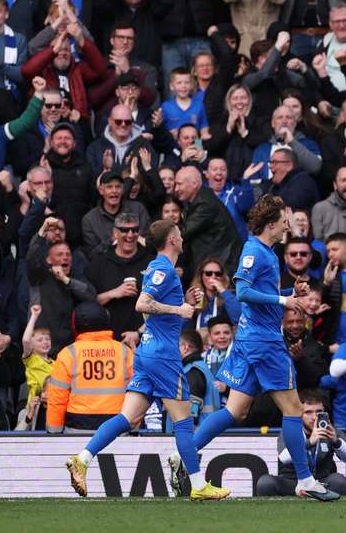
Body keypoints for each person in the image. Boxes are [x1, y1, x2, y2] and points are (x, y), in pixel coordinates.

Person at [169, 195, 339, 501]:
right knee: (293, 409)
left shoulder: (267, 253)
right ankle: (305, 479)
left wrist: (289, 291)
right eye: (284, 220)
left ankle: (186, 454)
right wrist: (283, 300)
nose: (288, 224)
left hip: (251, 340)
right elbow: (244, 292)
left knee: (235, 410)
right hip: (264, 342)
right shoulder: (254, 250)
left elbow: (260, 292)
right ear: (271, 224)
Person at [64, 219, 229, 501]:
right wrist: (178, 310)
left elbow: (148, 312)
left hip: (147, 351)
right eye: (178, 233)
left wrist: (181, 301)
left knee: (127, 417)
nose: (181, 236)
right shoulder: (164, 268)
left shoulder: (156, 268)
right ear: (172, 240)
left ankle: (83, 457)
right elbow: (142, 304)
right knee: (183, 422)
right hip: (164, 356)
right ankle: (199, 485)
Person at [46, 301, 135, 433]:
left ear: (75, 325)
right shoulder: (125, 351)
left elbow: (57, 398)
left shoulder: (69, 353)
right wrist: (134, 429)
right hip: (117, 428)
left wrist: (54, 432)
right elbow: (137, 393)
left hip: (77, 428)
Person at [255, 389, 346, 497]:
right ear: (299, 413)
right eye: (308, 412)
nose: (314, 417)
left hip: (321, 482)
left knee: (338, 481)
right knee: (265, 483)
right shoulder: (290, 431)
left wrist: (336, 441)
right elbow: (284, 457)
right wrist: (310, 442)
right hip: (293, 482)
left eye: (319, 411)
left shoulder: (330, 430)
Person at [85, 213, 154, 345]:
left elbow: (164, 303)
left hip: (146, 339)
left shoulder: (152, 262)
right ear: (115, 233)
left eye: (134, 230)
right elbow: (88, 305)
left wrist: (139, 333)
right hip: (108, 342)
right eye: (124, 230)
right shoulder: (98, 264)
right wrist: (114, 293)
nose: (130, 235)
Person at [173, 165, 241, 278]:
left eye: (179, 184)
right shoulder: (200, 199)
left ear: (194, 184)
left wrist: (157, 238)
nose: (176, 189)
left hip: (220, 270)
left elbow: (182, 234)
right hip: (215, 265)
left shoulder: (205, 204)